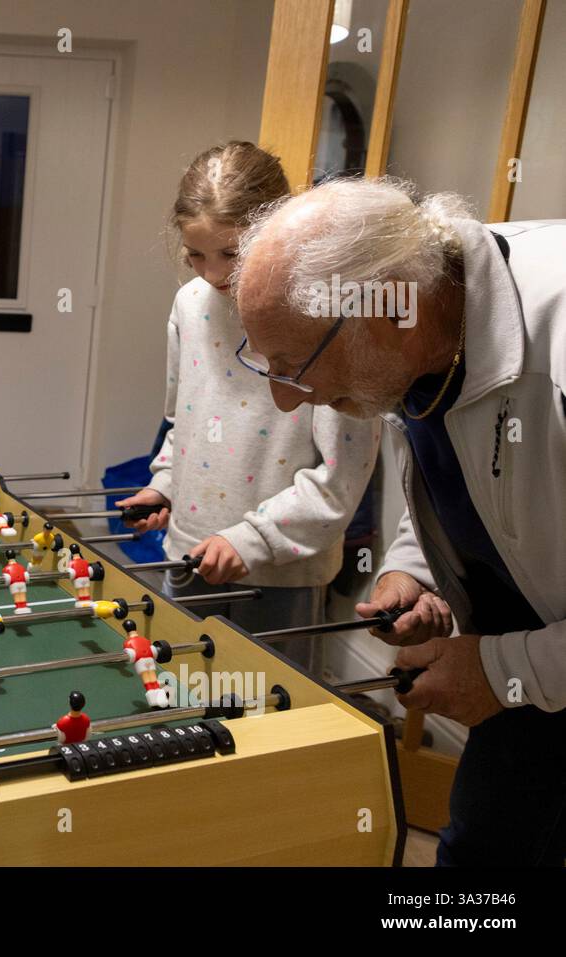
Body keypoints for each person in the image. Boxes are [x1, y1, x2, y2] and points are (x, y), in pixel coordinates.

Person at [233, 175, 566, 865]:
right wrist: (417, 571)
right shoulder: (417, 333)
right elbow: (467, 470)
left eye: (294, 366)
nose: (288, 400)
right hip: (522, 688)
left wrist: (506, 667)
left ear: (391, 311)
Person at [118, 143, 380, 670]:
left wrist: (252, 539)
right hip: (186, 556)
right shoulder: (190, 305)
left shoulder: (326, 313)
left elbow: (340, 480)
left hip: (280, 575)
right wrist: (164, 484)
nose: (212, 273)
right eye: (195, 254)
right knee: (179, 700)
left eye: (232, 253)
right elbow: (182, 424)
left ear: (275, 229)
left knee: (268, 721)